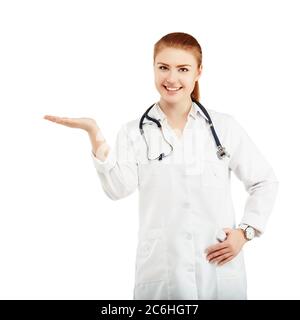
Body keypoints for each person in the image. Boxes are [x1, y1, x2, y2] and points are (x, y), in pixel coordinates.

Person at [44, 32, 279, 300]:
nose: (171, 78)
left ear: (198, 72)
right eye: (163, 67)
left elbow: (265, 181)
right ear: (153, 68)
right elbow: (117, 189)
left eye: (183, 69)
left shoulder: (224, 127)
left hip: (218, 273)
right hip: (163, 276)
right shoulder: (134, 132)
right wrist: (93, 132)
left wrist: (245, 232)